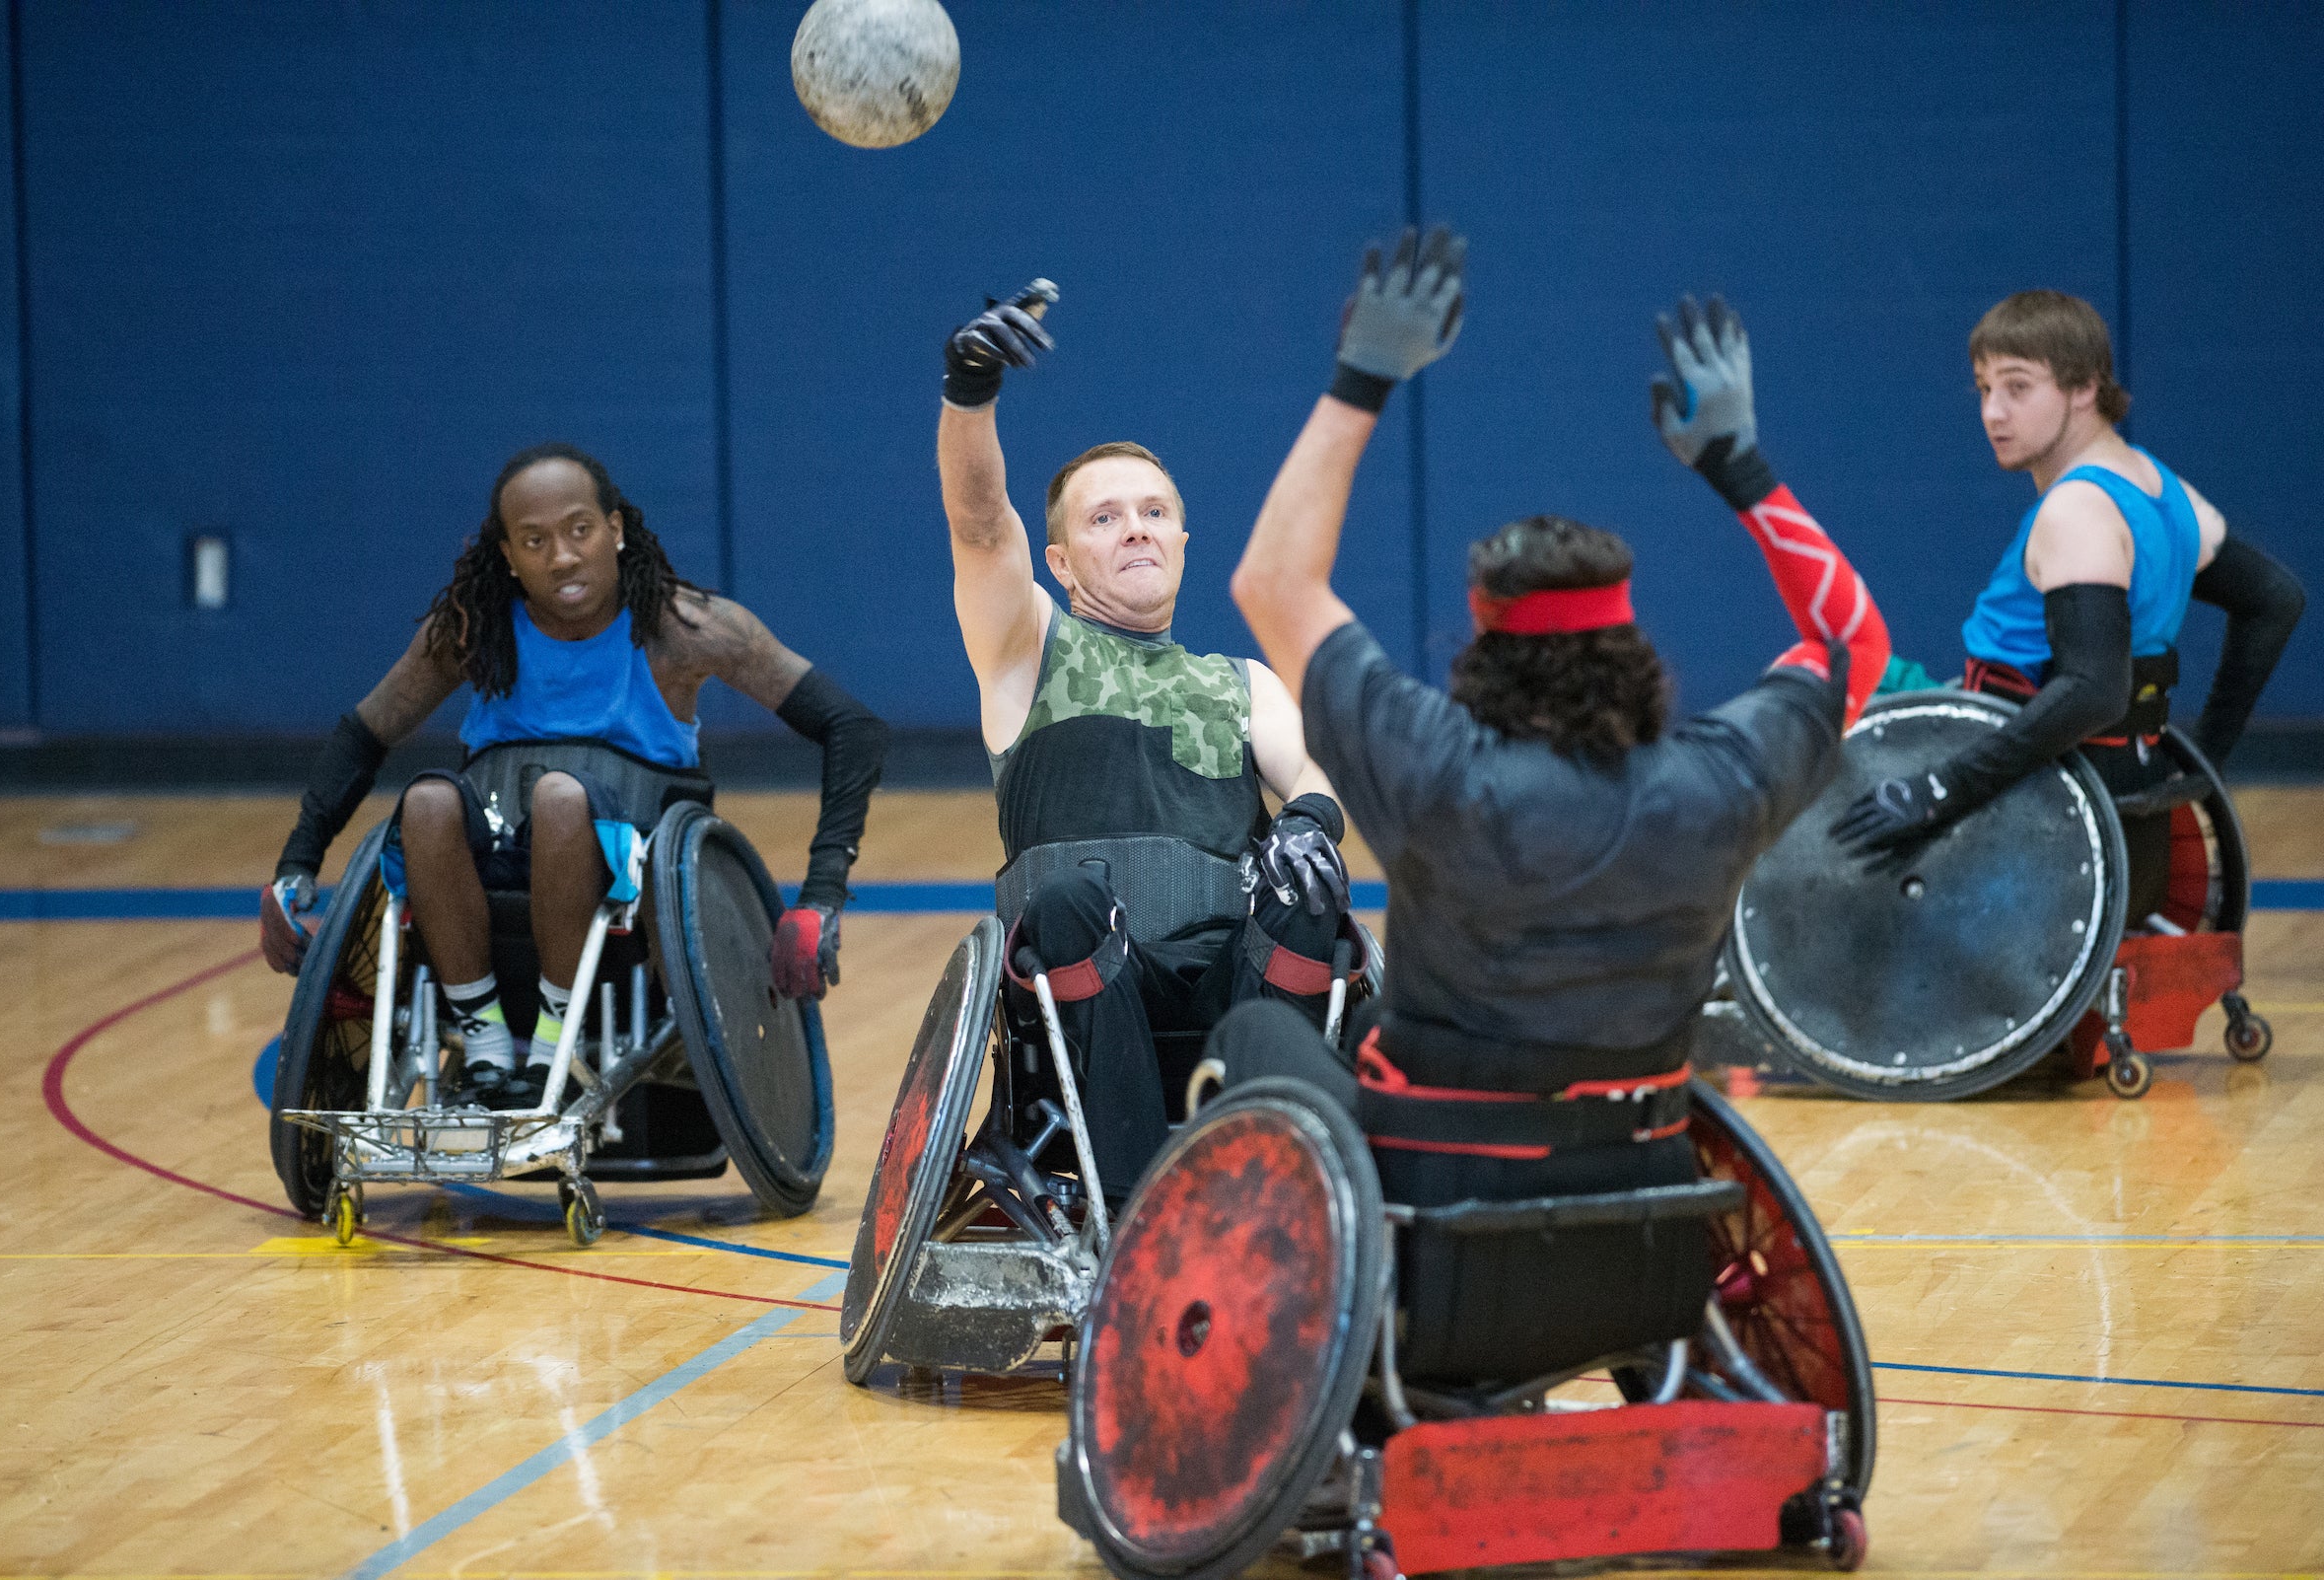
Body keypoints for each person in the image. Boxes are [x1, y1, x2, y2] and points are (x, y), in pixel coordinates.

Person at [1219, 232, 1885, 1362]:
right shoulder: (1717, 780)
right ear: (1628, 643)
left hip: (1445, 1248)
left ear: (1483, 647)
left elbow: (1271, 583)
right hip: (1646, 1234)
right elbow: (1853, 646)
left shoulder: (1437, 771)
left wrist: (1361, 381)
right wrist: (1741, 469)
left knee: (1252, 1033)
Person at [259, 442, 887, 1109]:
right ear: (506, 554)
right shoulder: (475, 628)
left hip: (631, 863)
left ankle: (556, 1034)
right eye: (533, 540)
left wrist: (822, 894)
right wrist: (297, 864)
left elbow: (851, 727)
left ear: (615, 530)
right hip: (498, 850)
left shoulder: (685, 627)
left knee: (560, 798)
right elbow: (365, 733)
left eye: (579, 531)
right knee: (425, 802)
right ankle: (487, 1037)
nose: (561, 556)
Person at [935, 280, 1359, 1200]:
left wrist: (1310, 822)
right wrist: (970, 393)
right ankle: (1139, 1223)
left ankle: (1257, 1190)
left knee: (1313, 900)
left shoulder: (1240, 682)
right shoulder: (1027, 650)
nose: (1136, 529)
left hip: (1227, 981)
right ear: (1059, 561)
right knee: (1069, 902)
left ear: (1182, 537)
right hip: (1084, 975)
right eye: (1104, 517)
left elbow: (1313, 771)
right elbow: (977, 521)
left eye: (1155, 512)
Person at [1832, 291, 2305, 923]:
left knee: (1813, 685)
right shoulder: (2161, 488)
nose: (1992, 413)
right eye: (1983, 389)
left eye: (2018, 388)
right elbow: (2276, 600)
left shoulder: (2077, 510)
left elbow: (2093, 691)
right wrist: (2206, 762)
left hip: (2040, 824)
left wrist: (1939, 790)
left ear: (2084, 388)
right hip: (2125, 799)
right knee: (1849, 667)